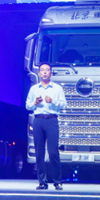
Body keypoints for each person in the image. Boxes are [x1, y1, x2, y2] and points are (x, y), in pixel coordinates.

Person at [25, 62, 67, 190]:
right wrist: (35, 103)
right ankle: (42, 182)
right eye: (42, 70)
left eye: (47, 70)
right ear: (39, 73)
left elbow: (64, 104)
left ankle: (57, 181)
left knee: (53, 152)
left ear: (51, 73)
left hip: (51, 120)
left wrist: (52, 101)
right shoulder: (34, 89)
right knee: (39, 153)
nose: (44, 72)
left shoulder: (57, 88)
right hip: (38, 121)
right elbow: (27, 106)